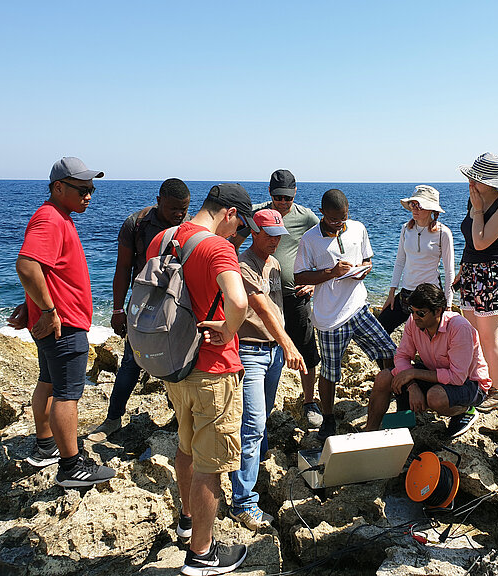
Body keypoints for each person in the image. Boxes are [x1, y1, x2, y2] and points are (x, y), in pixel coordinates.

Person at [147, 183, 256, 575]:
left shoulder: (162, 239)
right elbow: (239, 300)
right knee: (211, 464)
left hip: (174, 363)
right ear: (228, 212)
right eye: (241, 223)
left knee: (186, 446)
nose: (239, 233)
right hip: (212, 369)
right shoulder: (216, 247)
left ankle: (187, 521)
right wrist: (229, 328)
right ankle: (202, 555)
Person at [8, 157, 115, 487]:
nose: (89, 196)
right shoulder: (51, 220)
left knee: (49, 381)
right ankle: (71, 467)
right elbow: (26, 266)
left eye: (92, 190)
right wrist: (49, 310)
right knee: (68, 394)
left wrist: (33, 306)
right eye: (82, 189)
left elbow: (44, 271)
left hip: (54, 321)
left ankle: (46, 446)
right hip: (63, 324)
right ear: (58, 187)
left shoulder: (57, 216)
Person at [90, 178, 191, 440]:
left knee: (178, 363)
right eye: (174, 209)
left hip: (179, 306)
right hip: (143, 304)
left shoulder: (189, 227)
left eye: (185, 208)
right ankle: (113, 419)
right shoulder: (137, 224)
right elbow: (122, 268)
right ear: (159, 202)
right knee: (131, 362)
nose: (180, 215)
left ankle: (180, 420)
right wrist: (117, 310)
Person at [294, 188, 397, 441]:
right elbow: (300, 276)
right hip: (329, 319)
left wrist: (364, 270)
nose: (339, 224)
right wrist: (331, 272)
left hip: (358, 307)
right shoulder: (309, 240)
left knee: (389, 351)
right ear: (322, 214)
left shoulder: (358, 228)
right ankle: (328, 419)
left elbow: (367, 260)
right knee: (330, 372)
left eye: (343, 218)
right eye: (333, 220)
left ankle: (395, 401)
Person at [229, 208, 307, 530]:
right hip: (250, 353)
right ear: (255, 232)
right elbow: (260, 306)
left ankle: (251, 473)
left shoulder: (273, 264)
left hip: (272, 353)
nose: (276, 242)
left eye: (279, 236)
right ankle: (243, 502)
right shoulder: (242, 265)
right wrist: (289, 344)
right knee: (253, 423)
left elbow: (278, 305)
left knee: (261, 420)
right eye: (271, 236)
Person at [233, 170, 323, 428]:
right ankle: (252, 410)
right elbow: (235, 242)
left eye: (287, 198)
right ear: (270, 193)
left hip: (294, 295)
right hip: (260, 291)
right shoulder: (257, 215)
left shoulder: (305, 216)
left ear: (295, 193)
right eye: (278, 197)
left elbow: (321, 244)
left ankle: (309, 402)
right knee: (257, 345)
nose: (282, 203)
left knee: (305, 349)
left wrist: (313, 281)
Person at [366, 283, 491, 438]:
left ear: (438, 310)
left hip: (470, 383)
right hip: (434, 372)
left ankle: (467, 410)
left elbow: (457, 377)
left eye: (421, 313)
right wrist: (412, 386)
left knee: (435, 397)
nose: (415, 317)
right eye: (412, 311)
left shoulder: (459, 328)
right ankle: (368, 433)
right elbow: (402, 356)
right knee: (384, 377)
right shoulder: (413, 322)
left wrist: (413, 373)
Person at [454, 153, 498, 413]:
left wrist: (477, 209)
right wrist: (461, 269)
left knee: (489, 336)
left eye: (476, 178)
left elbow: (482, 242)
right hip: (471, 273)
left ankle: (497, 391)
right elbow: (470, 243)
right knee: (471, 334)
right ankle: (477, 380)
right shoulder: (475, 200)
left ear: (489, 182)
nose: (471, 181)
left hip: (492, 275)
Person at [377, 185, 454, 334]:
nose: (415, 208)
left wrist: (448, 304)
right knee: (381, 329)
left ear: (432, 209)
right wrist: (391, 293)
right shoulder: (406, 229)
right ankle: (394, 358)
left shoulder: (443, 233)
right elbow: (399, 261)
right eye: (413, 204)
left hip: (430, 297)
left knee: (427, 338)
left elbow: (449, 270)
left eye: (419, 205)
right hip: (406, 293)